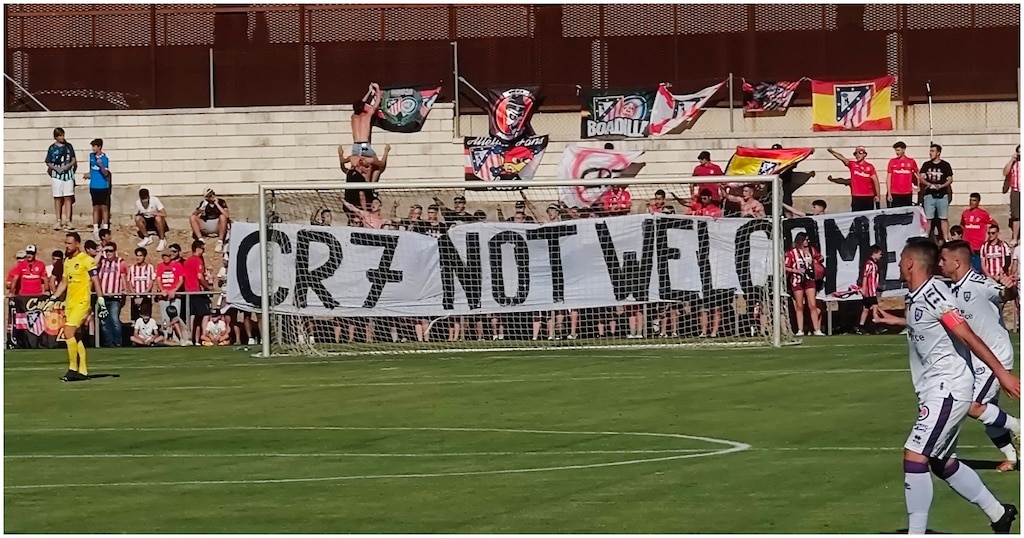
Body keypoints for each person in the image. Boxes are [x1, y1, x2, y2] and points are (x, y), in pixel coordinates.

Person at [872, 238, 1019, 534]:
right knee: (942, 461)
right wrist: (896, 321)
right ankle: (998, 513)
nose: (899, 264)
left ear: (910, 263)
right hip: (934, 389)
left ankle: (916, 532)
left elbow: (966, 334)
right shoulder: (918, 296)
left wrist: (1001, 373)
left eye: (901, 259)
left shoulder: (934, 293)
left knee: (915, 456)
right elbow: (928, 324)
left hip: (948, 389)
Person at [939, 240, 1021, 472]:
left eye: (944, 259)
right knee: (989, 414)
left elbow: (1003, 294)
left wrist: (1009, 288)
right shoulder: (952, 289)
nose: (940, 264)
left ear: (957, 262)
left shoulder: (978, 283)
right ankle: (1012, 458)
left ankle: (1019, 426)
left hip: (994, 355)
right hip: (975, 359)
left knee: (972, 405)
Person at [49, 232, 106, 382]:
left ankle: (72, 368)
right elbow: (64, 283)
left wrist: (100, 298)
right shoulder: (67, 261)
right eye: (66, 243)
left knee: (68, 332)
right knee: (76, 337)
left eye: (69, 243)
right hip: (70, 303)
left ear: (77, 244)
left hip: (82, 303)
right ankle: (83, 371)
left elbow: (95, 280)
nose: (67, 246)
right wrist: (54, 297)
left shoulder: (87, 260)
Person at [784, 232, 824, 337]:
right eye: (805, 239)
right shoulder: (792, 253)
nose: (807, 241)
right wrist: (795, 270)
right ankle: (800, 329)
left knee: (812, 304)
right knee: (799, 305)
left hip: (809, 279)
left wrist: (816, 263)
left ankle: (817, 329)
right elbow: (785, 266)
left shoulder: (811, 250)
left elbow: (820, 258)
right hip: (797, 280)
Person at [919, 143, 955, 244]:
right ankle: (926, 237)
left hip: (942, 195)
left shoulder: (945, 165)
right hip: (929, 195)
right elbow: (921, 177)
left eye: (932, 151)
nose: (930, 153)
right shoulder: (926, 164)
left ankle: (946, 238)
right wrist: (928, 184)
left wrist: (942, 186)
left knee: (943, 218)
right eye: (930, 151)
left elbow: (950, 179)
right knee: (929, 218)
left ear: (938, 153)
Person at [827, 146, 880, 211]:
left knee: (868, 215)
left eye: (860, 152)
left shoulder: (870, 166)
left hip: (868, 196)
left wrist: (878, 195)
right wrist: (832, 151)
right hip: (856, 196)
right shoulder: (853, 165)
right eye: (855, 153)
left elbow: (876, 181)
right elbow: (842, 158)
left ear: (864, 154)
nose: (857, 155)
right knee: (856, 216)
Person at [45, 127, 77, 231]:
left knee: (68, 197)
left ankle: (68, 220)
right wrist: (56, 168)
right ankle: (58, 220)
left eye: (63, 135)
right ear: (56, 137)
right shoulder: (52, 148)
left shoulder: (69, 146)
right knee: (58, 197)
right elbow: (48, 161)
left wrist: (68, 166)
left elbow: (73, 160)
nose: (62, 137)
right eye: (59, 136)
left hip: (68, 175)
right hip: (57, 175)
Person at [97, 241, 128, 347]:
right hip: (103, 296)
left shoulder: (120, 262)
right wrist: (101, 252)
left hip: (115, 296)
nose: (108, 253)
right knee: (104, 321)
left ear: (115, 251)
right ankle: (109, 342)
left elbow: (123, 276)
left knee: (114, 319)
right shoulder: (102, 262)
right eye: (107, 251)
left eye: (110, 251)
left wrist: (124, 289)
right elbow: (93, 265)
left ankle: (117, 342)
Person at [182, 240, 212, 344]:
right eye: (202, 249)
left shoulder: (187, 261)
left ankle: (190, 338)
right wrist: (208, 286)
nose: (203, 251)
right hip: (197, 291)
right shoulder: (198, 260)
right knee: (205, 313)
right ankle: (204, 335)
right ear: (198, 249)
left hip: (188, 291)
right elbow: (199, 277)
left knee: (192, 315)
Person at [83, 138, 112, 239]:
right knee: (95, 206)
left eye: (94, 146)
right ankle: (95, 228)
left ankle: (105, 227)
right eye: (92, 146)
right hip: (93, 186)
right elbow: (91, 169)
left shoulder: (105, 159)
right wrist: (89, 175)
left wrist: (101, 165)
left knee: (104, 207)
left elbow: (106, 173)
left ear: (99, 147)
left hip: (103, 186)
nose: (93, 148)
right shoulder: (91, 156)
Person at [349, 82, 383, 164]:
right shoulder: (367, 116)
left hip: (356, 146)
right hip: (364, 145)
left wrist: (369, 91)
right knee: (377, 163)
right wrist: (377, 88)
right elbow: (377, 102)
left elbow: (361, 103)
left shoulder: (353, 117)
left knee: (356, 165)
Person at [960, 192, 995, 271]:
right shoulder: (965, 213)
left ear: (978, 202)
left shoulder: (983, 214)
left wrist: (988, 236)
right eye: (970, 200)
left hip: (978, 245)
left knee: (978, 268)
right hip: (967, 244)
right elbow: (962, 225)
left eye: (974, 200)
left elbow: (994, 224)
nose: (971, 202)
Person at [854, 245, 883, 335]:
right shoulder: (869, 264)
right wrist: (863, 288)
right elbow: (865, 276)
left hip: (872, 290)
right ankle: (877, 326)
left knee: (866, 309)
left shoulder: (874, 264)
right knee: (875, 307)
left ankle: (860, 326)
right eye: (879, 254)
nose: (881, 256)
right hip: (870, 291)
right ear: (874, 253)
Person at [189, 189, 230, 253]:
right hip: (206, 224)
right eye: (210, 195)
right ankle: (200, 240)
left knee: (223, 217)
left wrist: (217, 204)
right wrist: (200, 210)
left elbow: (226, 215)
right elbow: (194, 214)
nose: (212, 196)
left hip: (217, 224)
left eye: (213, 193)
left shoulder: (221, 202)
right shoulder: (204, 203)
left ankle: (220, 241)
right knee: (192, 218)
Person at [127, 247, 156, 321]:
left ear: (144, 257)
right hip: (134, 297)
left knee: (146, 318)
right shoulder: (132, 268)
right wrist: (135, 295)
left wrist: (143, 295)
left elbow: (151, 282)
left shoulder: (150, 267)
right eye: (137, 255)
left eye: (140, 256)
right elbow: (129, 282)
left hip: (146, 297)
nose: (138, 258)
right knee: (135, 319)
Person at [887, 141, 919, 208]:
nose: (897, 152)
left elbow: (918, 173)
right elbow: (889, 177)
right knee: (896, 212)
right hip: (895, 192)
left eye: (898, 150)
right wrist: (889, 193)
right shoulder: (892, 161)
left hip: (907, 193)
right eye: (896, 150)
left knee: (907, 212)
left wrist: (918, 186)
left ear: (903, 150)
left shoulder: (911, 161)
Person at [1001, 145, 1020, 246]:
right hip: (1016, 191)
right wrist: (1012, 160)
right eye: (1019, 152)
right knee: (1016, 216)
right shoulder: (1013, 164)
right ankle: (1015, 238)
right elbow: (1005, 173)